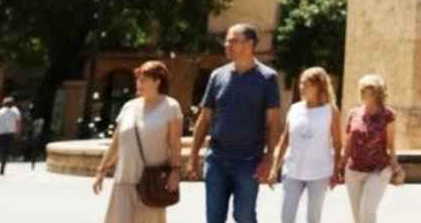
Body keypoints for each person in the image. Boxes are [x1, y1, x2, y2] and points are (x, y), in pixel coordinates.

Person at [186, 24, 283, 223]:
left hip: (249, 162)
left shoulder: (267, 78)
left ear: (249, 44)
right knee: (214, 219)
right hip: (217, 160)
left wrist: (269, 158)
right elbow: (204, 118)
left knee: (244, 216)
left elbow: (273, 122)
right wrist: (194, 155)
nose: (226, 45)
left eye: (232, 41)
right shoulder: (217, 76)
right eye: (227, 40)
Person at [93, 61, 183, 223]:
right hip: (123, 179)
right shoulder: (129, 107)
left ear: (157, 82)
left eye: (143, 80)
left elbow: (175, 144)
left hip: (151, 181)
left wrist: (175, 171)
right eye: (138, 80)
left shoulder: (171, 107)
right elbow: (116, 143)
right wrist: (102, 170)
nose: (138, 84)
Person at [267, 67, 342, 223]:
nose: (302, 88)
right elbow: (284, 141)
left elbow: (337, 143)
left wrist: (336, 171)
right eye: (301, 84)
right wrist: (275, 168)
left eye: (307, 84)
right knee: (286, 217)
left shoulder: (331, 111)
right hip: (293, 171)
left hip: (319, 173)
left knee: (313, 219)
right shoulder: (295, 109)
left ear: (319, 87)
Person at [340, 74, 400, 223]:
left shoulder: (388, 115)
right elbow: (348, 143)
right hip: (353, 170)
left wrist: (396, 168)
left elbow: (391, 145)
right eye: (363, 91)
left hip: (378, 170)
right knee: (357, 217)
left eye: (370, 91)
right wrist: (340, 165)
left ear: (378, 94)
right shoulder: (353, 113)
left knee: (366, 212)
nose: (366, 95)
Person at [0, 96, 21, 175]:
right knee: (5, 152)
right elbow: (18, 123)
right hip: (10, 134)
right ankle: (2, 170)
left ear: (3, 104)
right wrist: (18, 133)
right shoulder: (16, 112)